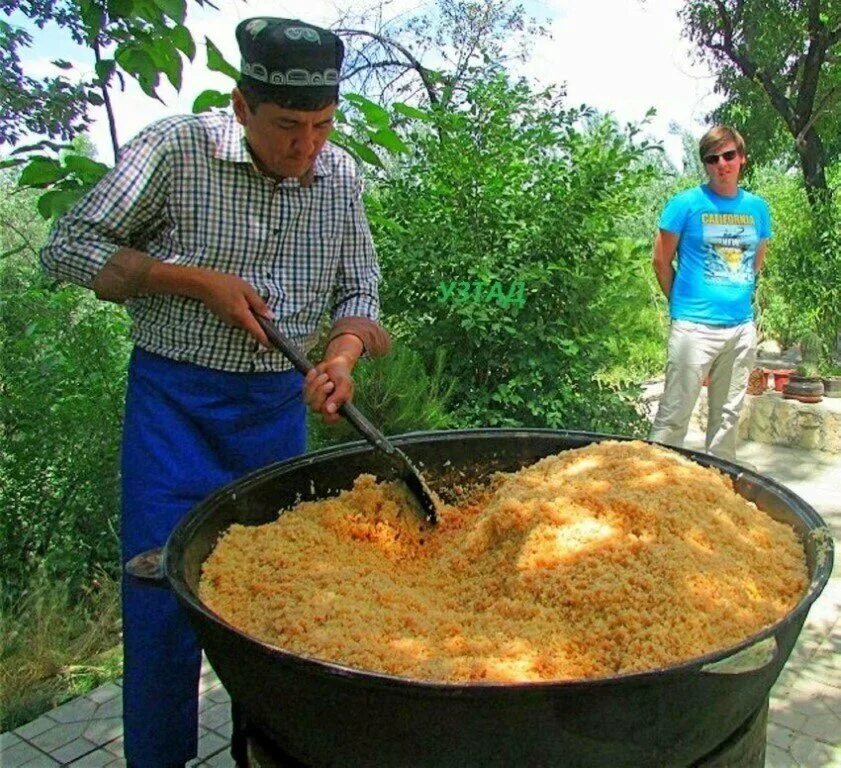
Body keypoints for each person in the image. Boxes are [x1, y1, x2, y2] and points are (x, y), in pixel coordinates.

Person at [40, 17, 390, 767]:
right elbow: (67, 243)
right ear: (240, 106)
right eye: (288, 127)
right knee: (161, 597)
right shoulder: (177, 149)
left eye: (322, 125)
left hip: (273, 421)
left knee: (274, 613)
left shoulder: (341, 176)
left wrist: (342, 354)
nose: (306, 147)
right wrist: (192, 280)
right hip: (176, 411)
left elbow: (361, 288)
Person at [649, 125, 771, 463]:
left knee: (727, 422)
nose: (722, 163)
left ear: (742, 158)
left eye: (729, 155)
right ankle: (649, 492)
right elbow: (660, 260)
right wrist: (682, 307)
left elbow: (754, 262)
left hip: (739, 330)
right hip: (693, 329)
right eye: (712, 158)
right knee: (673, 417)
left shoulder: (758, 209)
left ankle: (716, 496)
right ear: (705, 164)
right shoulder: (685, 204)